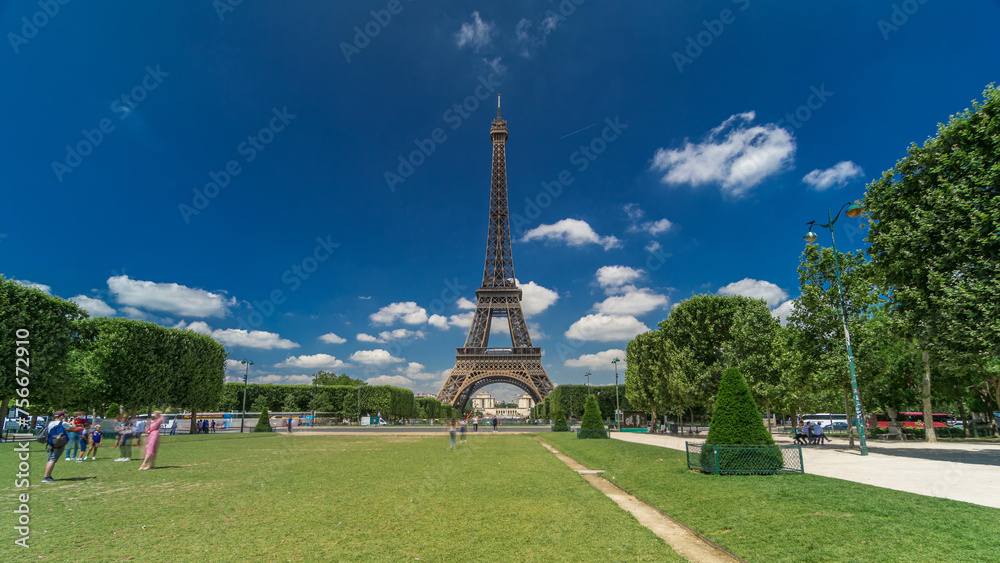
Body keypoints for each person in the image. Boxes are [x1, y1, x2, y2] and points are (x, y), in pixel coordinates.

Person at [42, 411, 73, 483]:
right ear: (61, 416)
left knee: (50, 459)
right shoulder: (62, 423)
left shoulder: (49, 423)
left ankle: (48, 476)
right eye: (63, 416)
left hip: (50, 443)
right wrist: (72, 422)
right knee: (52, 460)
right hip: (59, 444)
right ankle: (46, 477)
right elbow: (73, 428)